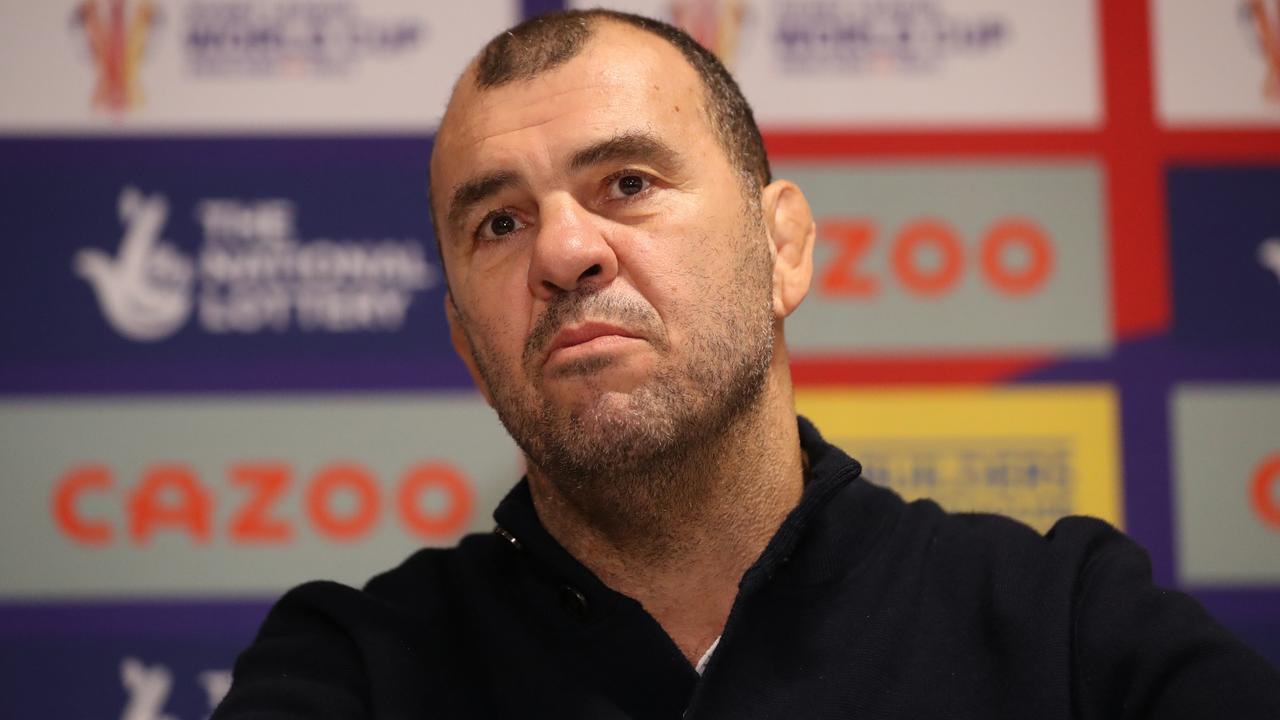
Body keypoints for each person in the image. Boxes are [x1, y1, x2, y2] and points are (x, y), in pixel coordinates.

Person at [213, 10, 1280, 719]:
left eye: (626, 182)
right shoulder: (351, 675)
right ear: (464, 341)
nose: (562, 250)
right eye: (496, 222)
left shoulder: (1064, 633)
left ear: (782, 249)